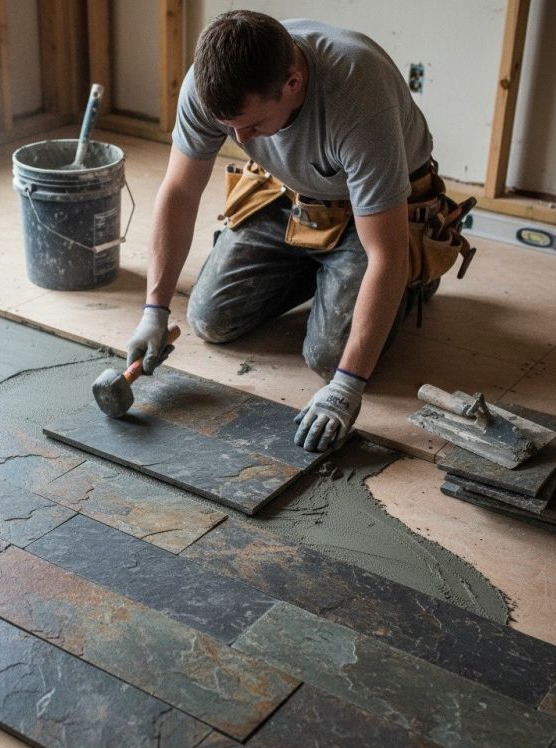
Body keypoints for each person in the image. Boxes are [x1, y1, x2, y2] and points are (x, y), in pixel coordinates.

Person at [126, 10, 444, 453]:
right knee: (209, 319)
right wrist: (154, 310)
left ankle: (414, 284)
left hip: (373, 215)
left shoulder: (357, 96)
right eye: (230, 129)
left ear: (293, 83)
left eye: (253, 126)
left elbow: (385, 255)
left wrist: (347, 387)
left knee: (330, 359)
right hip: (293, 195)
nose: (242, 138)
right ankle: (321, 276)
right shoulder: (210, 83)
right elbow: (179, 192)